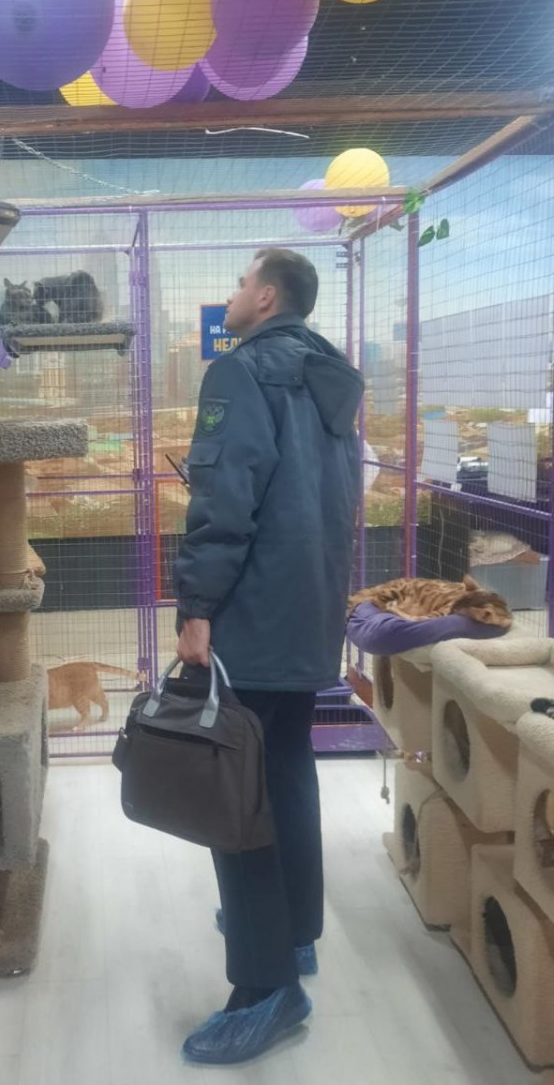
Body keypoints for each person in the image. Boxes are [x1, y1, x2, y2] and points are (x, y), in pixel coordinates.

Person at [173, 248, 363, 1066]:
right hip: (310, 609)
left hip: (251, 615)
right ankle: (294, 934)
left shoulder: (241, 372)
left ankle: (265, 990)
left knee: (236, 797)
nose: (231, 295)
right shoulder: (332, 377)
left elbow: (226, 496)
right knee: (285, 770)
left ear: (268, 295)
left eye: (240, 282)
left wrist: (197, 606)